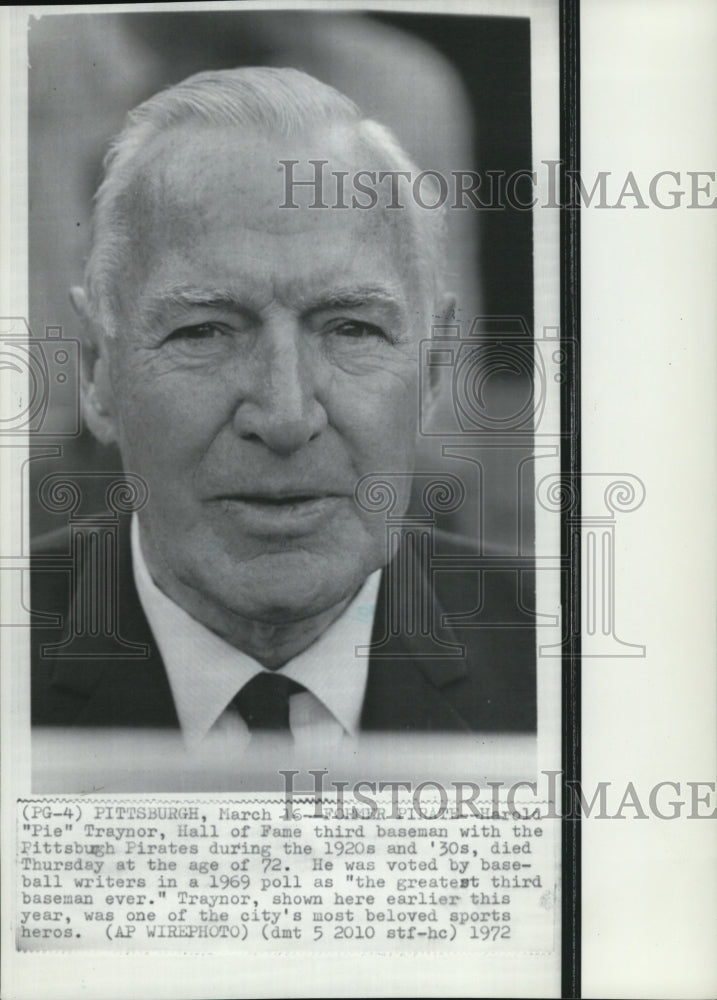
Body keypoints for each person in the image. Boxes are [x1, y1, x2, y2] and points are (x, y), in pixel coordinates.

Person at [31, 67, 534, 761]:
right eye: (203, 331)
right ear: (97, 367)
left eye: (351, 329)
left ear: (433, 369)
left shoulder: (573, 665)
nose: (286, 415)